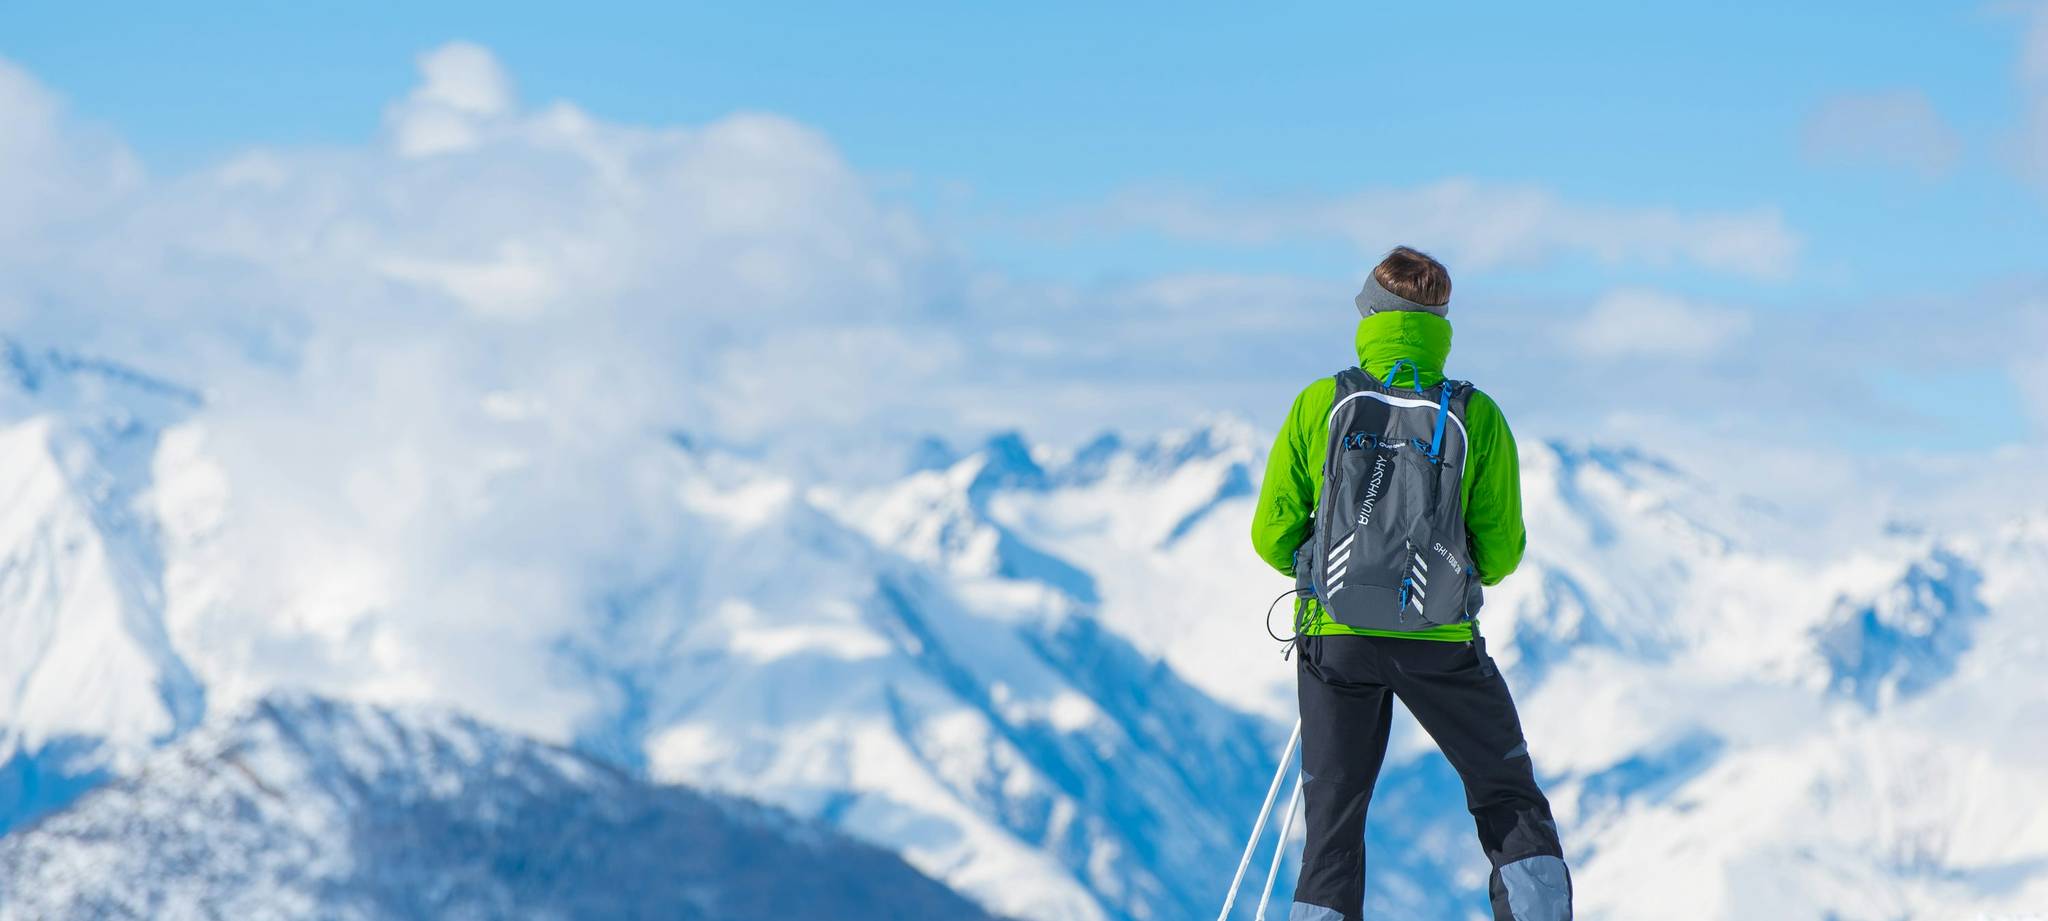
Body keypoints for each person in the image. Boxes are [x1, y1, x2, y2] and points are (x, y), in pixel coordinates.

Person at [1249, 246, 1570, 921]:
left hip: (1335, 638)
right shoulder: (1476, 414)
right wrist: (1444, 579)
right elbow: (1502, 550)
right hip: (1439, 638)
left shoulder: (1321, 402)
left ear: (1368, 316)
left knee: (1333, 824)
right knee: (1506, 794)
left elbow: (1271, 535)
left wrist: (1327, 573)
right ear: (1441, 323)